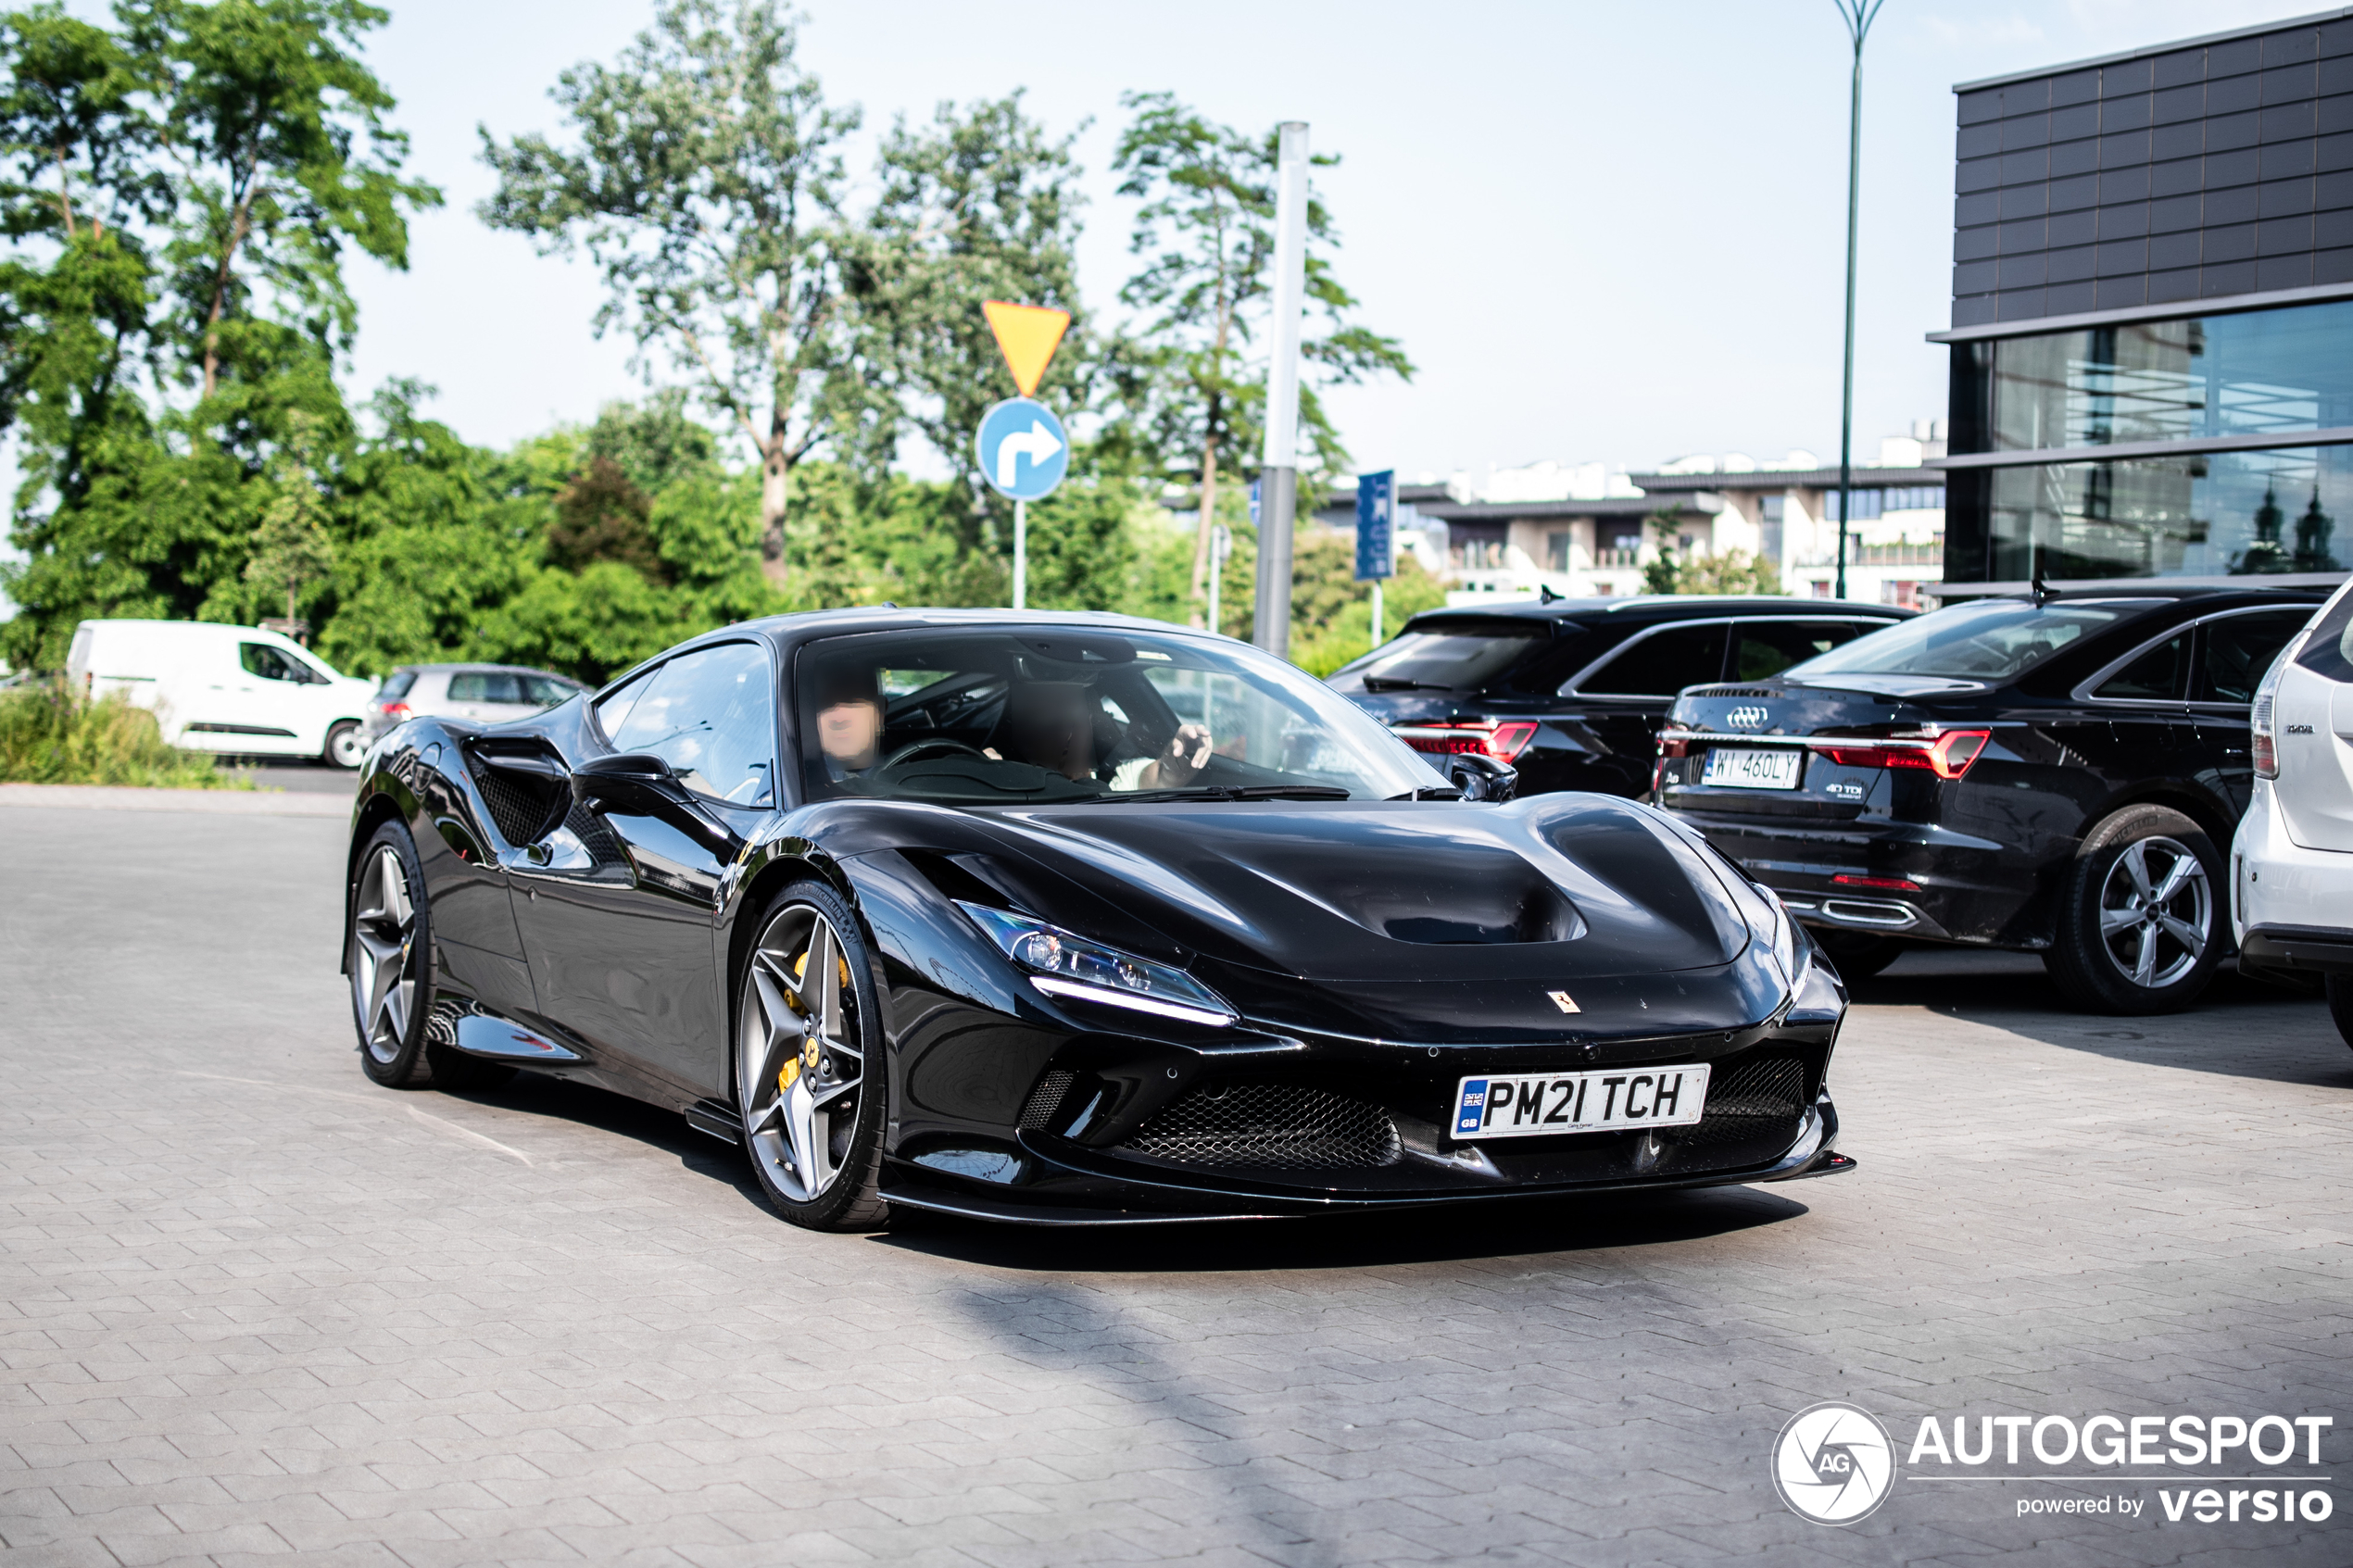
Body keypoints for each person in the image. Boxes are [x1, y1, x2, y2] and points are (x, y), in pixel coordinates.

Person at [812, 664, 884, 782]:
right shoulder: (794, 781)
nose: (839, 719)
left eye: (852, 703)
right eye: (826, 704)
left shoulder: (911, 776)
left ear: (880, 711)